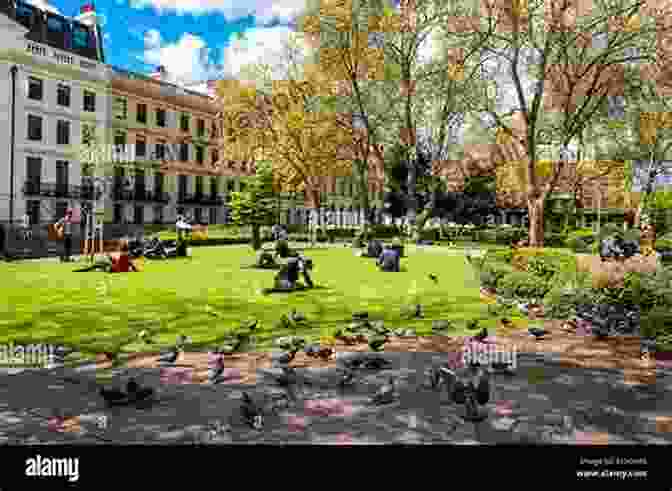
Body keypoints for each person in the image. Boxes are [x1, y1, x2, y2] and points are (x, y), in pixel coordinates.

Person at [74, 239, 138, 273]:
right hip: (115, 268)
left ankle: (84, 269)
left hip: (114, 269)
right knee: (100, 264)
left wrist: (110, 258)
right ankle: (87, 269)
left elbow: (118, 265)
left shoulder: (124, 255)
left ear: (122, 247)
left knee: (99, 264)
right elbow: (130, 265)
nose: (118, 247)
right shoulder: (126, 255)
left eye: (120, 246)